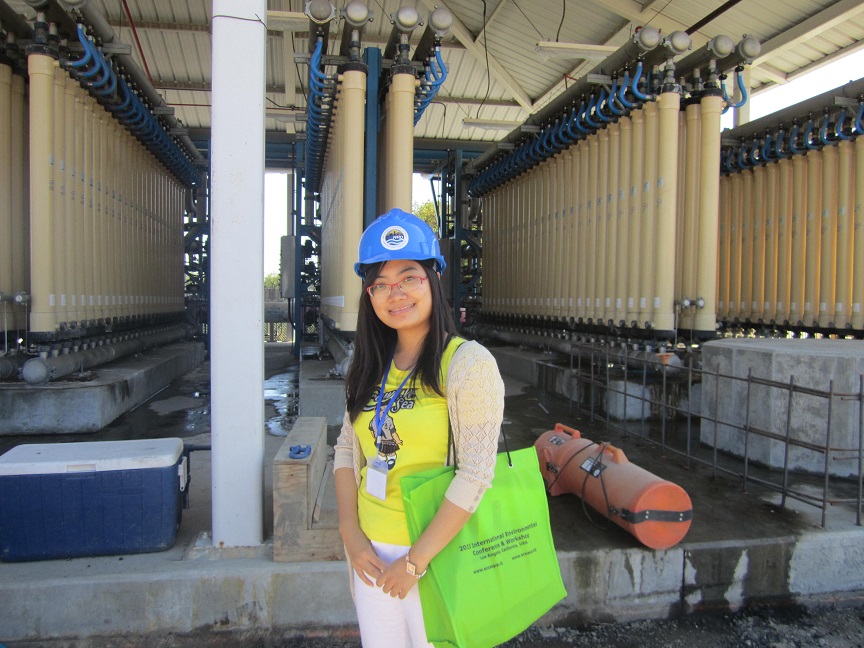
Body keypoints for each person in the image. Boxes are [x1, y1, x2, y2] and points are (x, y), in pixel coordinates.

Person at [333, 209, 505, 647]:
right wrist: (351, 536)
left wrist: (415, 561)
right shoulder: (368, 364)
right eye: (381, 284)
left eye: (409, 277)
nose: (396, 294)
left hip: (437, 554)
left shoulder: (467, 364)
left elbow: (476, 473)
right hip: (371, 553)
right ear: (369, 295)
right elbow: (346, 450)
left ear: (433, 279)